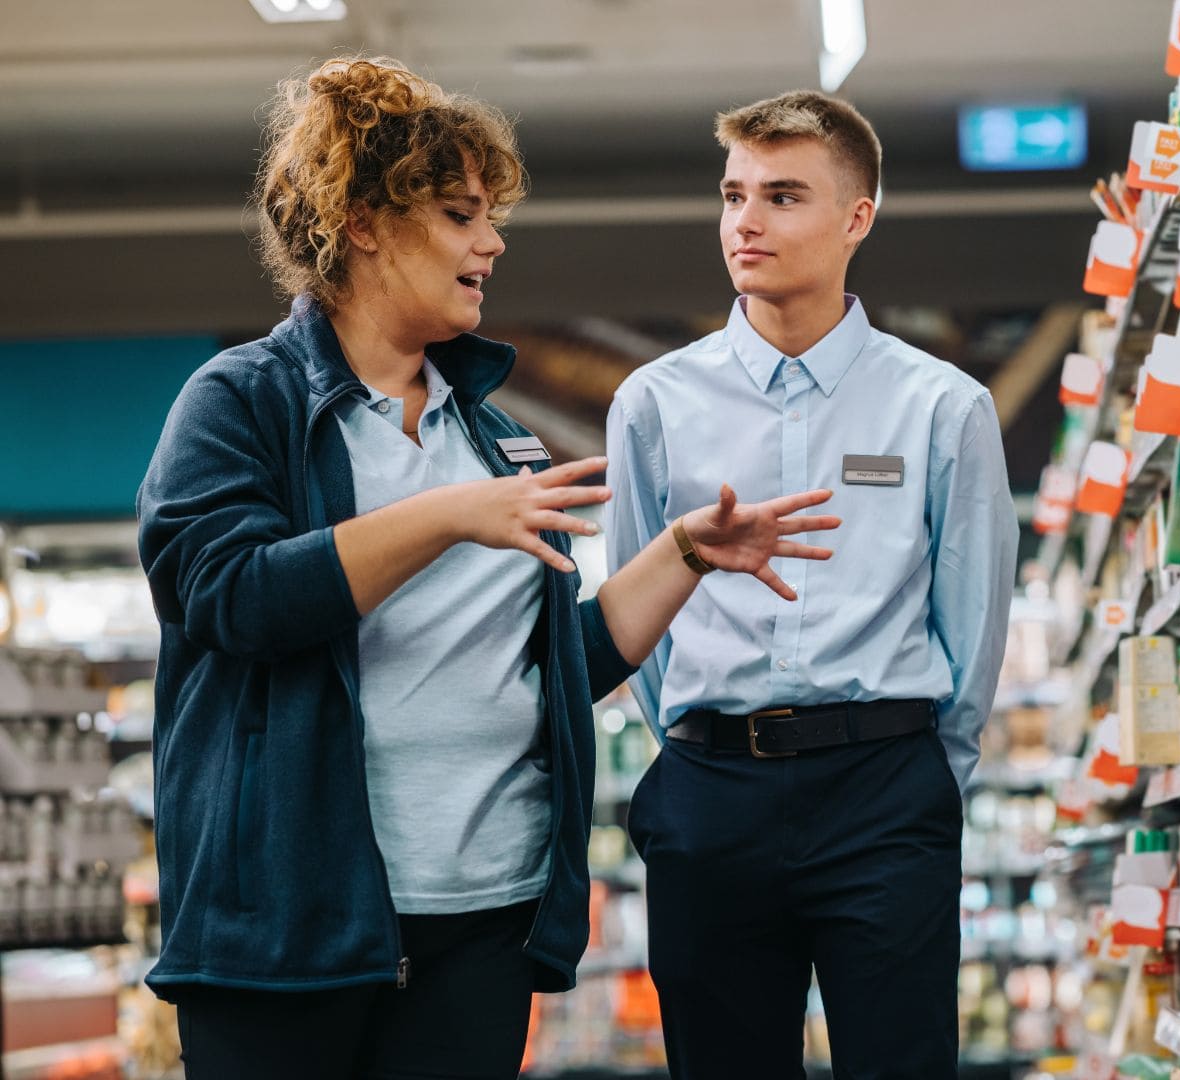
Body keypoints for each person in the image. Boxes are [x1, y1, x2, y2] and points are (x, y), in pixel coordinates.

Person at [136, 57, 839, 1080]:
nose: (492, 242)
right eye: (462, 214)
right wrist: (447, 517)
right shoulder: (244, 403)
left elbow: (554, 668)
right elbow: (227, 596)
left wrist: (685, 555)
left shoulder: (495, 439)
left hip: (480, 923)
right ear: (365, 221)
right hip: (289, 932)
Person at [606, 90, 1018, 1078]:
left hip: (884, 792)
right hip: (710, 793)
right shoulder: (654, 406)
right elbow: (634, 620)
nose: (744, 222)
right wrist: (704, 751)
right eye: (733, 194)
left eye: (783, 195)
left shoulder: (942, 409)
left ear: (856, 219)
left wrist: (920, 779)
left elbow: (974, 622)